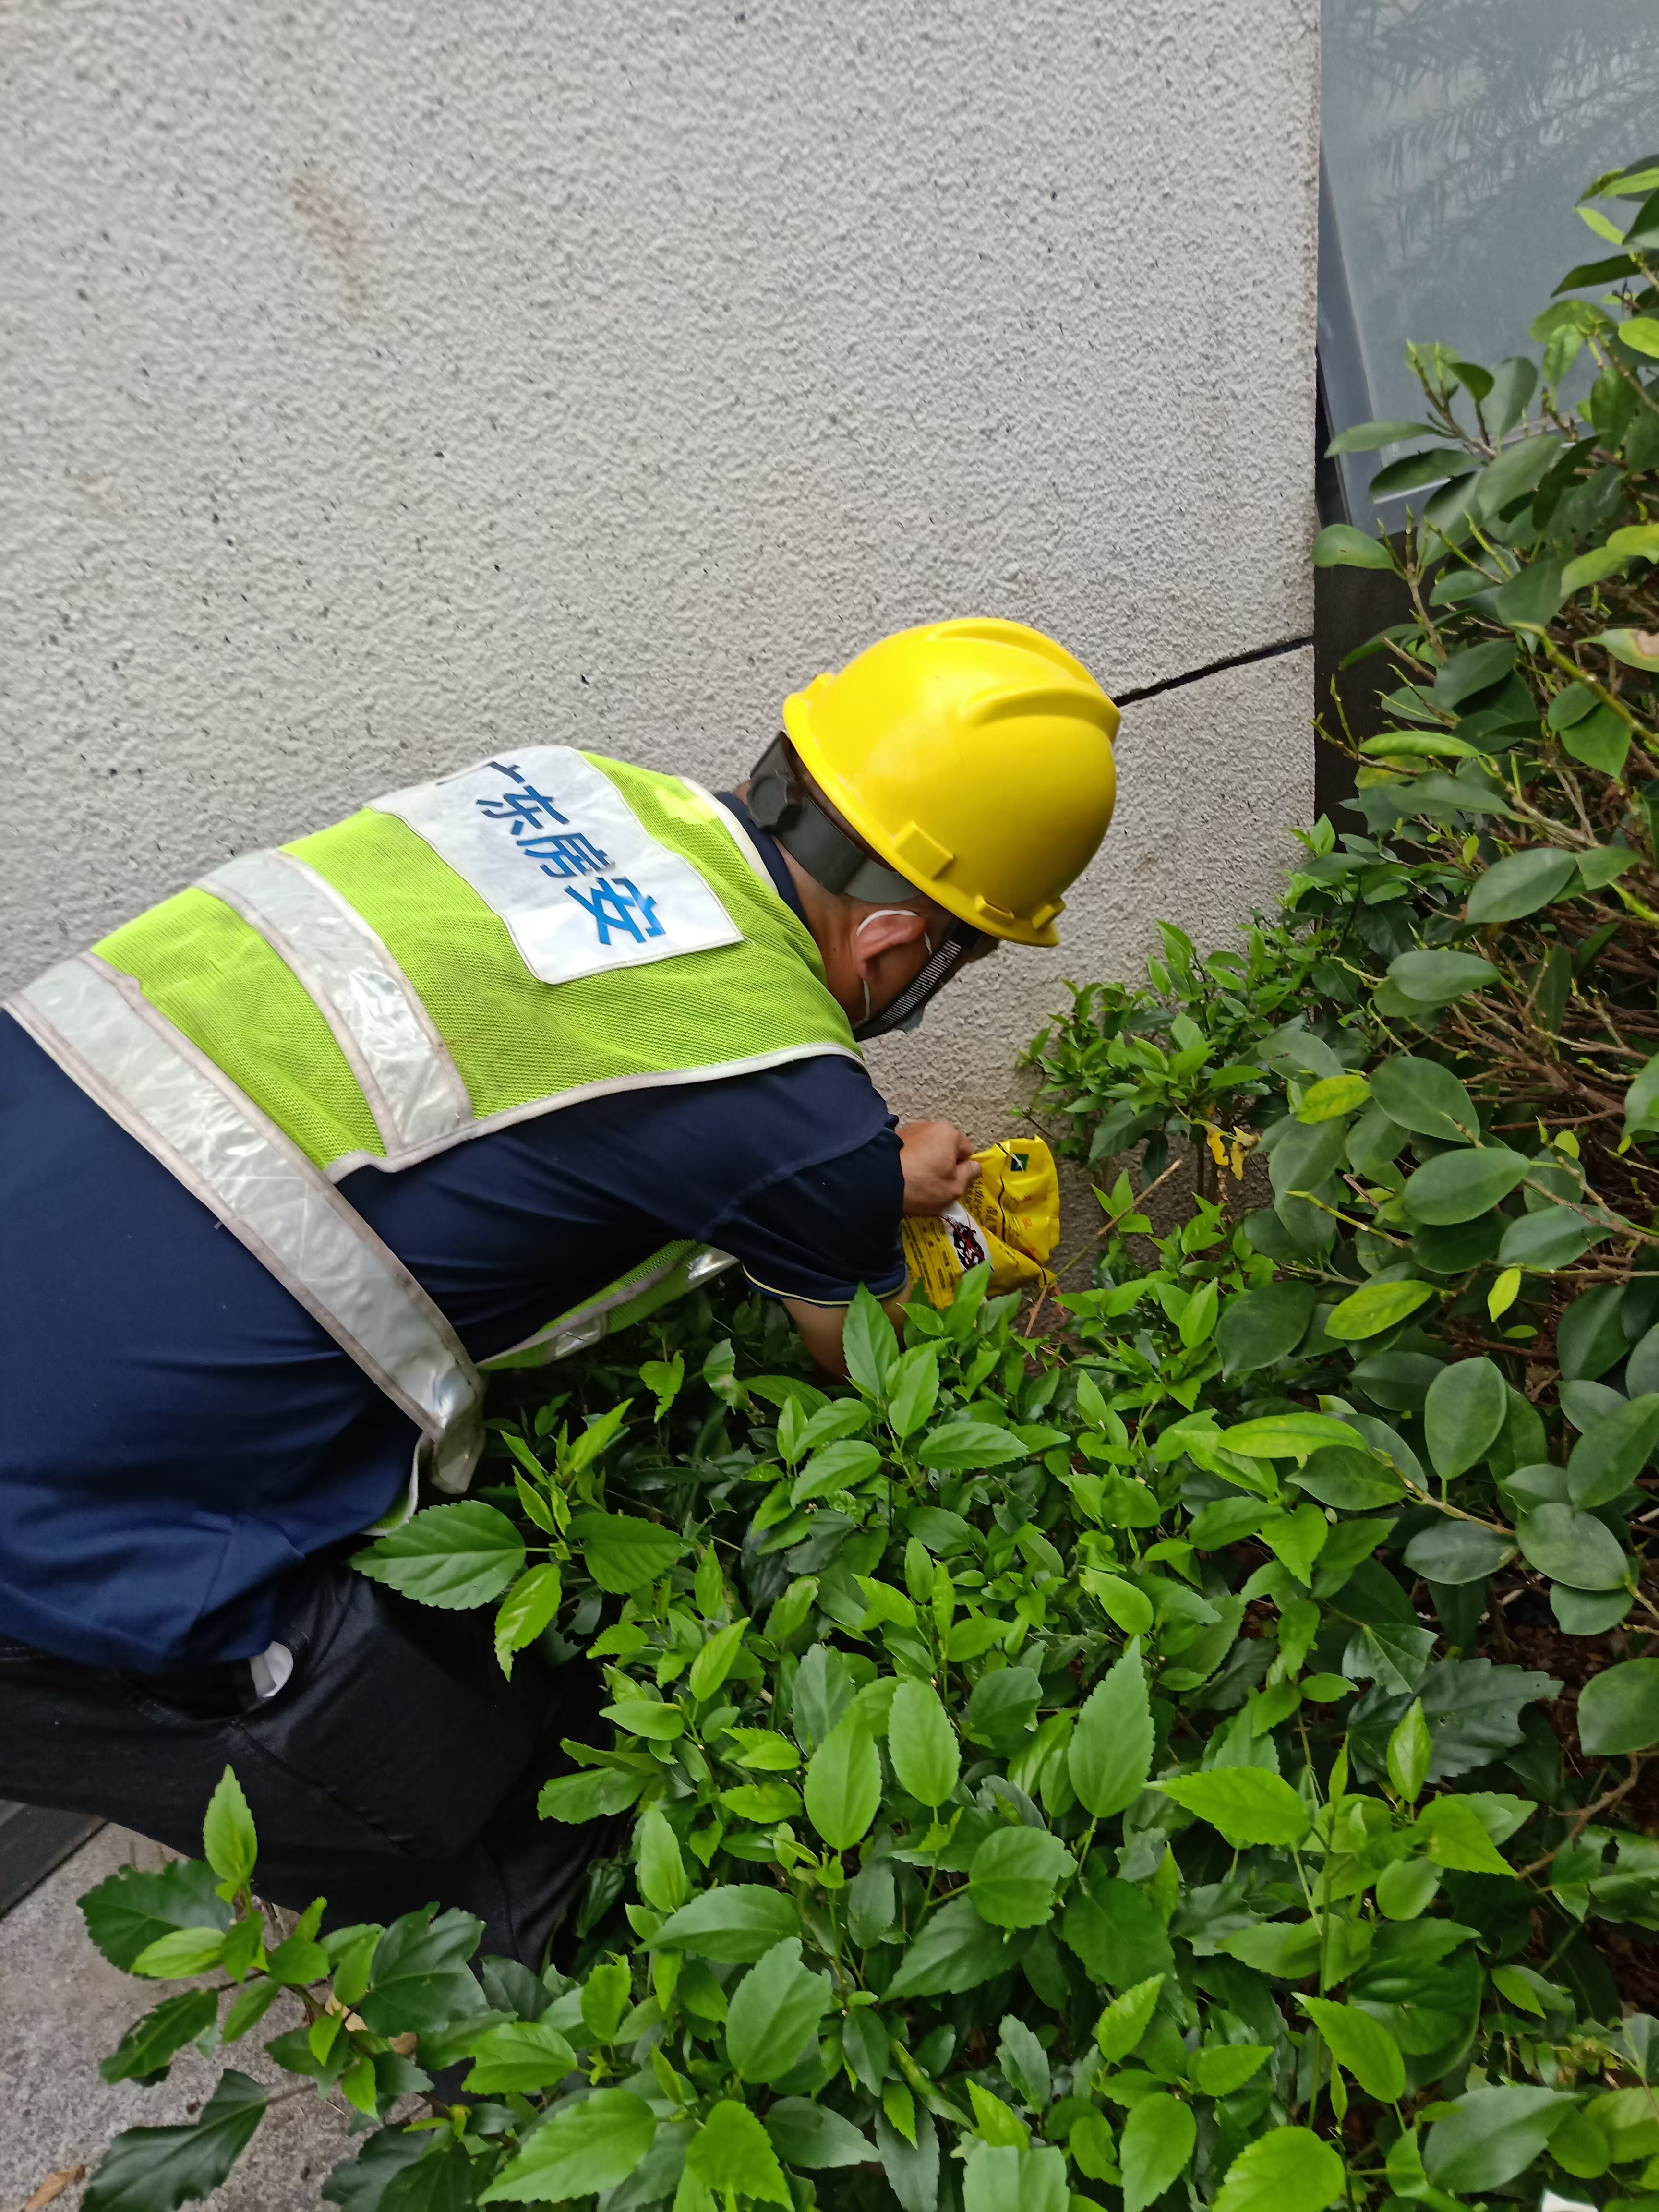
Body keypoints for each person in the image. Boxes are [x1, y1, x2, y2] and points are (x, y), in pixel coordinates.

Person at [0, 616, 1118, 1962]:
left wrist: (859, 1176)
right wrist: (944, 1266)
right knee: (450, 1808)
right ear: (895, 942)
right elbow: (874, 1369)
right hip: (52, 1508)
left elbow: (586, 1091)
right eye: (961, 956)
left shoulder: (567, 791)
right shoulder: (799, 1108)